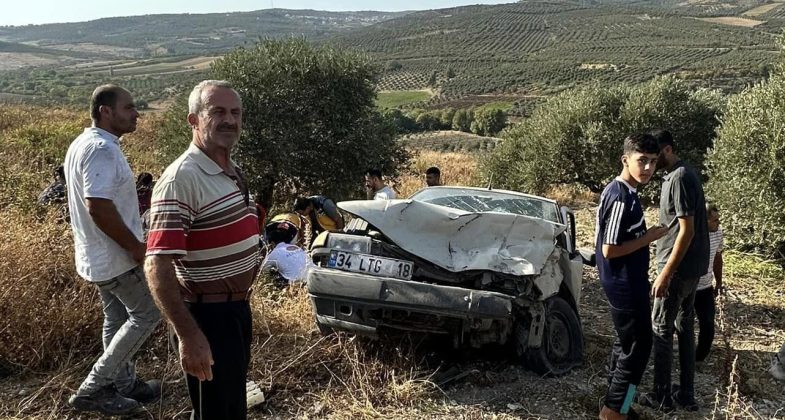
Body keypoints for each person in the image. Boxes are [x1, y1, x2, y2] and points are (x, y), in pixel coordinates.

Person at [145, 80, 261, 420]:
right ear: (193, 120)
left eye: (236, 112)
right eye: (218, 112)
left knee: (228, 406)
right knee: (217, 411)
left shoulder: (230, 168)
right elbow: (157, 266)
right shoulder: (182, 178)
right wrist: (189, 334)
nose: (229, 120)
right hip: (207, 318)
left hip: (235, 310)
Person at [64, 85, 161, 416]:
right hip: (115, 257)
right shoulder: (101, 149)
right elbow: (98, 207)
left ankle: (124, 384)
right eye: (129, 107)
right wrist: (135, 247)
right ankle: (95, 387)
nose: (136, 113)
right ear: (106, 111)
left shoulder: (84, 143)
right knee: (149, 313)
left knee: (117, 316)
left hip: (98, 256)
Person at [595, 134, 667, 420]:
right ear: (625, 160)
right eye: (642, 161)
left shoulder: (624, 191)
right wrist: (649, 238)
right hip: (624, 285)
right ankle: (614, 411)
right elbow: (609, 249)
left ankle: (615, 405)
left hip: (626, 282)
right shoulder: (621, 197)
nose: (648, 168)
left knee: (626, 344)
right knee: (638, 349)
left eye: (652, 162)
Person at [639, 129, 709, 412]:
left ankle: (662, 397)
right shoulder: (684, 173)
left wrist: (665, 273)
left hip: (677, 269)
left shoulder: (679, 177)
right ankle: (687, 395)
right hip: (693, 269)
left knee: (661, 329)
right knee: (684, 327)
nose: (652, 164)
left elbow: (687, 230)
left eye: (656, 157)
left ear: (668, 150)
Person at [695, 202, 724, 365]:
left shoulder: (718, 232)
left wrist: (719, 282)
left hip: (705, 287)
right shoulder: (691, 233)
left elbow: (717, 258)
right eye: (714, 220)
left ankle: (698, 359)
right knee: (676, 323)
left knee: (707, 324)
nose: (718, 223)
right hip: (688, 286)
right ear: (703, 221)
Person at [261, 220, 312, 286]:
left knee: (274, 276)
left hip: (296, 283)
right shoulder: (295, 247)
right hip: (313, 276)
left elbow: (263, 271)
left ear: (272, 243)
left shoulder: (274, 253)